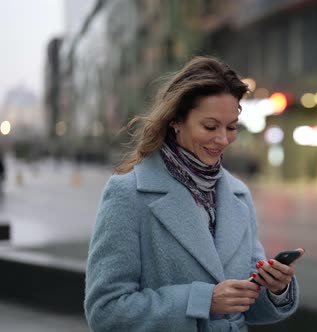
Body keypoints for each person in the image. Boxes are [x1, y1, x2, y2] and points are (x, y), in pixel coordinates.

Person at [84, 56, 304, 332]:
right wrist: (203, 301)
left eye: (232, 127)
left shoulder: (238, 195)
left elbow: (247, 303)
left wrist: (275, 287)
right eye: (210, 127)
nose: (223, 139)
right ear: (176, 120)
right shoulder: (128, 193)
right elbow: (105, 312)